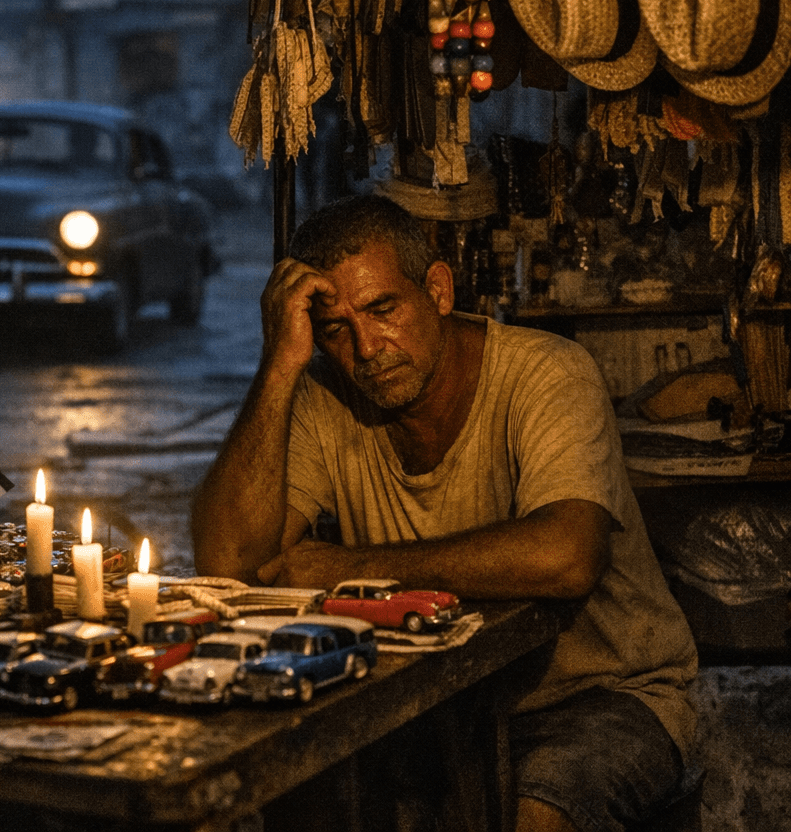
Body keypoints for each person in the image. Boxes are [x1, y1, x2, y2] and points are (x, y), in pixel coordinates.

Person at [191, 194, 696, 832]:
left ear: (437, 290)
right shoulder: (327, 395)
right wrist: (278, 365)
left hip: (601, 696)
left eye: (383, 310)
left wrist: (348, 569)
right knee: (288, 795)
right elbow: (231, 566)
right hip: (432, 701)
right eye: (335, 329)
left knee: (540, 813)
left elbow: (568, 557)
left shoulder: (547, 373)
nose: (367, 348)